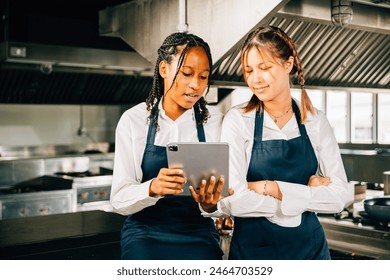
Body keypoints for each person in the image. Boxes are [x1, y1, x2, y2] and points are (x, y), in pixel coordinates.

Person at [218, 25, 349, 260]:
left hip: (311, 253)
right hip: (254, 254)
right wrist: (305, 196)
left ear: (288, 65)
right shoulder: (238, 120)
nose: (255, 79)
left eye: (265, 68)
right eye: (249, 70)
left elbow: (340, 197)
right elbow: (235, 201)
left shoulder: (315, 120)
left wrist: (270, 187)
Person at [110, 32, 225, 260]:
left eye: (203, 77)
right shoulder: (133, 121)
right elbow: (119, 199)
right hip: (145, 233)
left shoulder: (216, 122)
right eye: (187, 74)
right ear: (163, 69)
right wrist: (152, 187)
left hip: (198, 232)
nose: (195, 85)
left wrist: (212, 206)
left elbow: (225, 199)